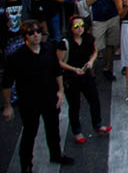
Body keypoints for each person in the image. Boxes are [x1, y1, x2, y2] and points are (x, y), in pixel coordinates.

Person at [2, 19, 75, 171]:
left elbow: (57, 71)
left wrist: (60, 91)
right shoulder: (16, 57)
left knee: (53, 129)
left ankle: (56, 155)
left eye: (38, 31)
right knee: (29, 133)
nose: (36, 35)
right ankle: (26, 165)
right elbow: (7, 83)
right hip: (29, 102)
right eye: (31, 32)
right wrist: (7, 105)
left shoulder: (49, 49)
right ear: (25, 36)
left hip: (50, 97)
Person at [57, 15, 111, 143]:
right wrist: (73, 69)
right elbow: (59, 62)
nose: (80, 28)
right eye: (76, 26)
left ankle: (97, 124)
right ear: (71, 28)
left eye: (82, 25)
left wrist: (91, 61)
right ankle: (77, 131)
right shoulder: (65, 43)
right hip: (71, 77)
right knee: (75, 105)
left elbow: (94, 52)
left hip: (85, 74)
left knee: (94, 100)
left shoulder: (88, 38)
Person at [83, 0, 120, 81]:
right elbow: (88, 2)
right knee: (96, 48)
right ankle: (92, 73)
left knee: (110, 45)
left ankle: (107, 68)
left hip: (112, 17)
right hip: (98, 19)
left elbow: (116, 0)